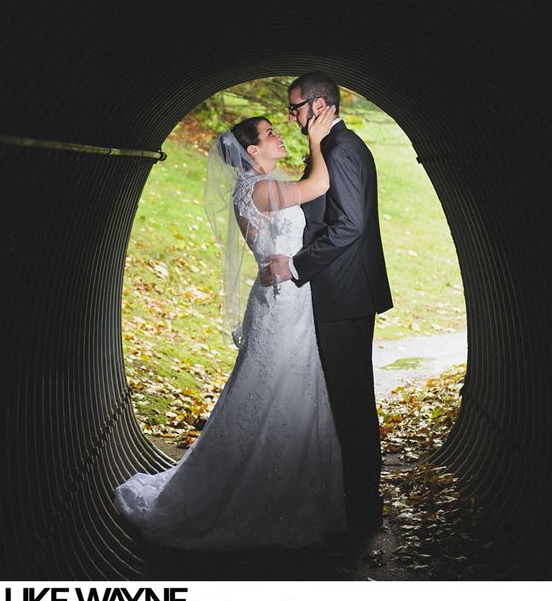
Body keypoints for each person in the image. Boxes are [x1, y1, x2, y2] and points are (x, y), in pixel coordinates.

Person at [114, 108, 347, 550]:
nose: (280, 136)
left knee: (283, 391)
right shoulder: (260, 189)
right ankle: (266, 497)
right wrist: (317, 138)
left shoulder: (252, 187)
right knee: (278, 391)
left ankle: (288, 489)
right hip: (281, 303)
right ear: (252, 150)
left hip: (282, 298)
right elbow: (318, 185)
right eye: (270, 134)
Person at [264, 71, 393, 532]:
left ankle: (362, 510)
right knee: (344, 399)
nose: (291, 115)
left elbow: (350, 225)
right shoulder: (334, 147)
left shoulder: (341, 149)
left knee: (352, 402)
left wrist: (296, 266)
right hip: (340, 293)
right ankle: (353, 501)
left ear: (318, 106)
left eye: (295, 107)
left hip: (344, 294)